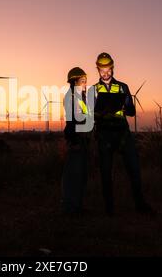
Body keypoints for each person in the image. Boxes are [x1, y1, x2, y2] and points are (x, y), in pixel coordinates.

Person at [91, 52, 155, 216]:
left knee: (134, 169)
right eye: (102, 70)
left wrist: (123, 108)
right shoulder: (93, 90)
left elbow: (132, 111)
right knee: (106, 173)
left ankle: (140, 204)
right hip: (104, 134)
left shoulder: (123, 87)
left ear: (112, 68)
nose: (105, 73)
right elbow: (88, 114)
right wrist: (100, 113)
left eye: (108, 69)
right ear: (98, 69)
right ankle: (109, 209)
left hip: (122, 134)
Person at [61, 67, 90, 215]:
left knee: (81, 175)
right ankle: (70, 207)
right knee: (73, 174)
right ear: (75, 81)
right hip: (76, 140)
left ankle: (76, 206)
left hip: (82, 139)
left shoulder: (79, 96)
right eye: (82, 80)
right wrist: (75, 140)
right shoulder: (72, 97)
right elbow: (72, 120)